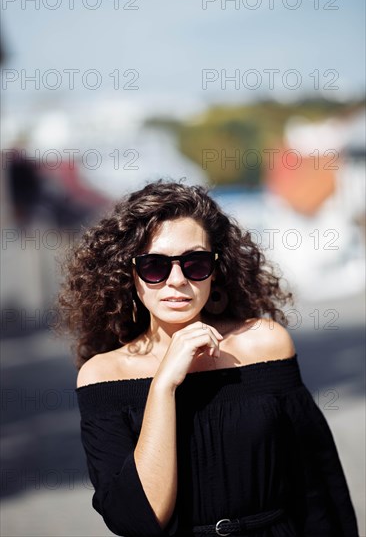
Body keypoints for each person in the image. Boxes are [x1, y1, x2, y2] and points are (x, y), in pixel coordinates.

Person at [57, 179, 359, 537]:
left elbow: (316, 485)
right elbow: (139, 519)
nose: (177, 280)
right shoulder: (103, 375)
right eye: (155, 266)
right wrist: (163, 385)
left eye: (195, 263)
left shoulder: (263, 343)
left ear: (216, 269)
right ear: (129, 274)